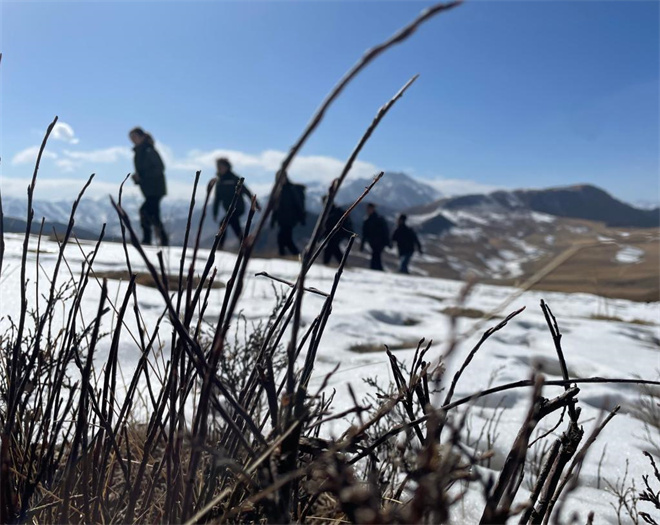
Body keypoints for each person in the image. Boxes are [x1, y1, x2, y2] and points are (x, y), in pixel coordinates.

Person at [129, 127, 169, 246]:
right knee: (153, 215)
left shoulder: (148, 150)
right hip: (149, 189)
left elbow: (160, 168)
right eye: (131, 138)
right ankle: (160, 239)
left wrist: (141, 176)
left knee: (145, 211)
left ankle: (148, 239)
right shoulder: (140, 152)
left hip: (155, 188)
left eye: (134, 137)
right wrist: (137, 179)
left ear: (142, 137)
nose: (133, 140)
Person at [211, 157, 260, 249]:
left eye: (221, 166)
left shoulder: (234, 178)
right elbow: (217, 198)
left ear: (227, 167)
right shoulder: (220, 181)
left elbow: (246, 191)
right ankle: (245, 246)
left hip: (238, 208)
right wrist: (215, 212)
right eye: (218, 166)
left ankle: (220, 246)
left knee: (224, 223)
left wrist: (256, 204)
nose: (219, 168)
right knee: (235, 225)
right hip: (228, 209)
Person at [271, 172, 306, 256]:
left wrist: (302, 218)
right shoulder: (279, 190)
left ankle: (293, 255)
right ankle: (294, 255)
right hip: (282, 219)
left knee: (283, 238)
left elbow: (297, 204)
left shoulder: (291, 189)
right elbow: (276, 207)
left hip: (289, 219)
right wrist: (273, 220)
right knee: (285, 239)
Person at [322, 199, 353, 265]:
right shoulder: (332, 211)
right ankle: (342, 264)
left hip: (337, 234)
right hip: (335, 234)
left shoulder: (334, 211)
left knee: (330, 248)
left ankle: (326, 263)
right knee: (335, 249)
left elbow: (330, 225)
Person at [360, 203, 390, 271]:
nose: (368, 210)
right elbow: (365, 233)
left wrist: (387, 241)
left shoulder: (379, 219)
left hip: (380, 242)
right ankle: (377, 269)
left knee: (376, 256)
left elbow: (385, 231)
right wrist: (362, 244)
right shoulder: (367, 220)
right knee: (376, 256)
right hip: (372, 242)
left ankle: (375, 269)